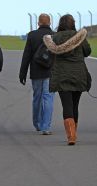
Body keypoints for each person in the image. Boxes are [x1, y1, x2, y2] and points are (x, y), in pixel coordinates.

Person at [43, 14, 91, 145]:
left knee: (67, 105)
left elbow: (50, 53)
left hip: (61, 76)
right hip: (79, 75)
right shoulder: (79, 37)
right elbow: (88, 52)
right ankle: (73, 133)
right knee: (75, 105)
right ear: (73, 23)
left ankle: (71, 136)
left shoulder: (54, 38)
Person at [19, 13, 54, 135]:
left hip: (36, 72)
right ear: (50, 23)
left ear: (38, 23)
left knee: (37, 98)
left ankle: (37, 124)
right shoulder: (55, 36)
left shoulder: (32, 35)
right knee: (48, 98)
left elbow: (26, 55)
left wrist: (22, 73)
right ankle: (46, 127)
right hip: (51, 72)